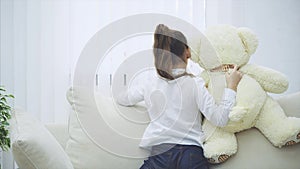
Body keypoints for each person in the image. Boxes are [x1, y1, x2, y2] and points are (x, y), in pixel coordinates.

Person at [117, 24, 243, 169]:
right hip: (191, 154)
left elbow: (123, 99)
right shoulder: (195, 84)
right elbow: (220, 119)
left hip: (160, 153)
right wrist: (232, 87)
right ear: (187, 52)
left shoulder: (149, 82)